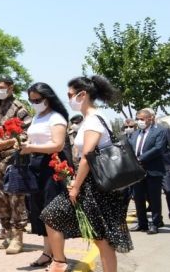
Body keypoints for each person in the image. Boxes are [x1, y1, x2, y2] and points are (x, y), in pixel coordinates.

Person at [41, 75, 133, 272]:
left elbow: (87, 157)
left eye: (70, 94)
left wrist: (75, 186)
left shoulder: (93, 121)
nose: (69, 99)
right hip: (90, 185)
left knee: (102, 240)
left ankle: (60, 262)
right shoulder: (89, 119)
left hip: (96, 187)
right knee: (52, 215)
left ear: (83, 95)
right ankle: (59, 261)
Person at [18, 83, 68, 268]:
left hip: (52, 166)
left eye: (37, 100)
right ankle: (48, 252)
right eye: (31, 100)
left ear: (48, 97)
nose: (34, 103)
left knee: (51, 213)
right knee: (40, 212)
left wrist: (31, 147)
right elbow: (34, 139)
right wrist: (24, 144)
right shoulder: (38, 116)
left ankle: (59, 259)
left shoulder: (56, 118)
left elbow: (58, 145)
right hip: (36, 165)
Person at [0, 76, 32, 254]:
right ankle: (8, 234)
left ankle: (18, 237)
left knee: (15, 198)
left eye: (2, 87)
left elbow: (26, 134)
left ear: (11, 88)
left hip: (13, 160)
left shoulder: (19, 108)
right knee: (0, 198)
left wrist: (5, 143)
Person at [129, 108, 167, 234]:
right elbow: (130, 148)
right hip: (137, 172)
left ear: (150, 118)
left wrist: (140, 158)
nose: (139, 121)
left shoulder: (160, 131)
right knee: (138, 198)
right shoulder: (135, 133)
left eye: (142, 119)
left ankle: (155, 223)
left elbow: (158, 148)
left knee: (154, 198)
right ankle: (142, 223)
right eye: (138, 119)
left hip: (153, 170)